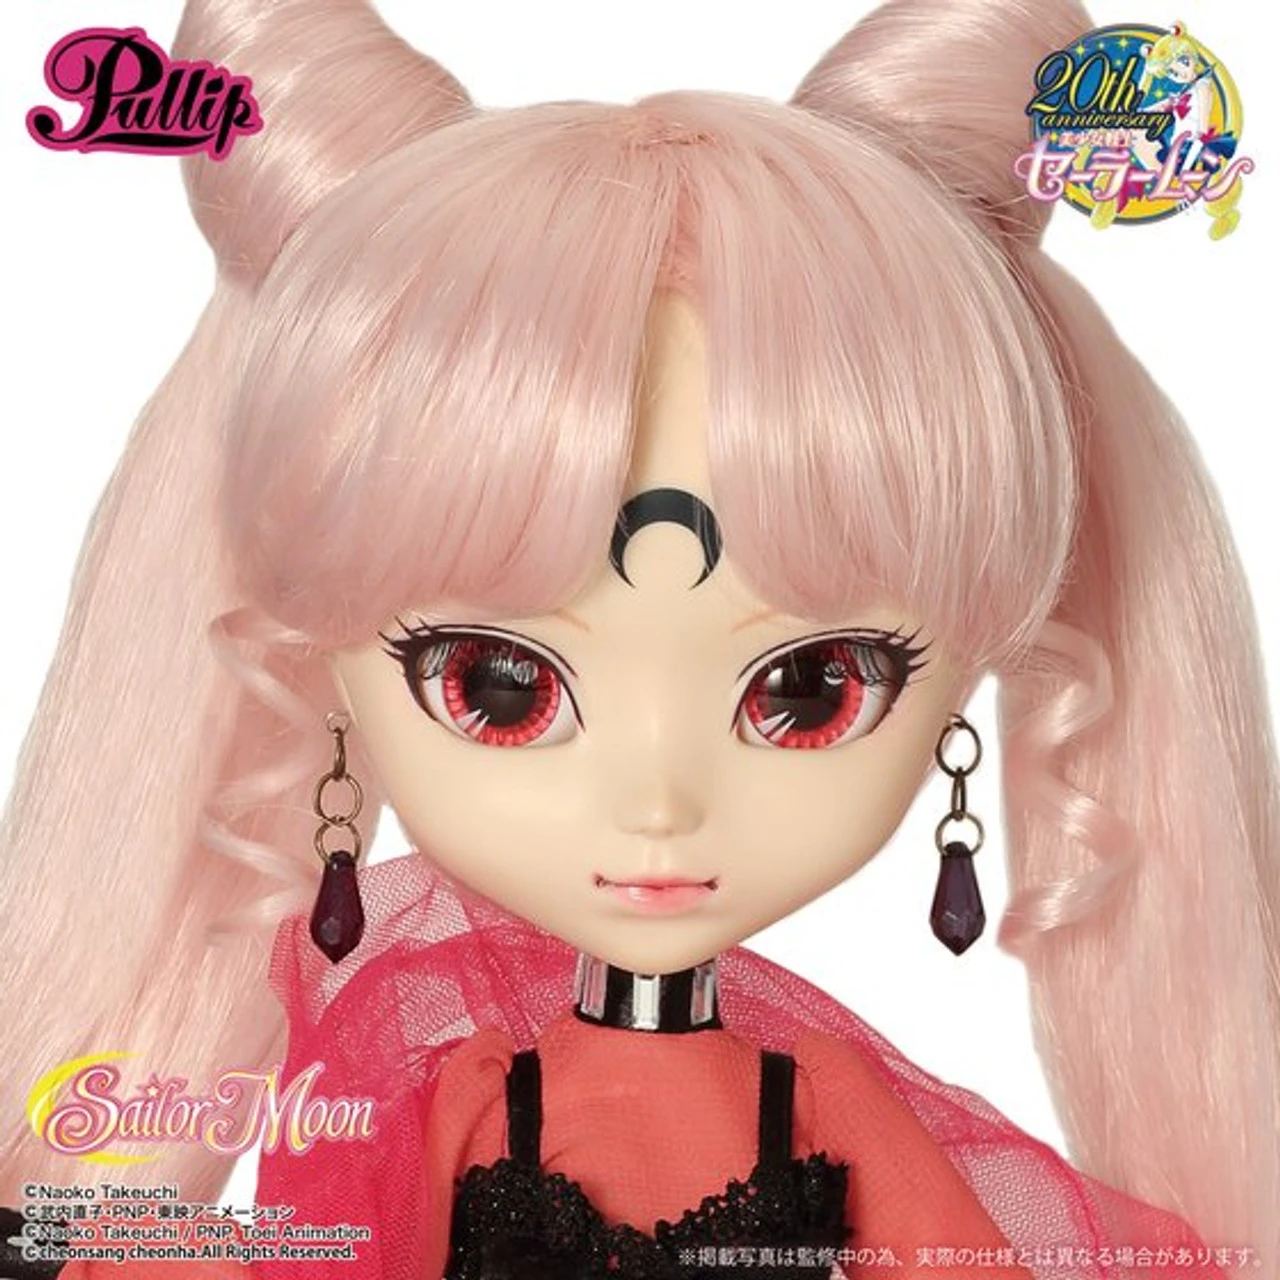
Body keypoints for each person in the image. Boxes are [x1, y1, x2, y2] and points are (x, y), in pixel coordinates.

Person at [2, 0, 1275, 1277]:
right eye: (499, 685)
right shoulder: (477, 1096)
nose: (657, 801)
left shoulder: (812, 1103)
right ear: (326, 668)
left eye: (807, 687)